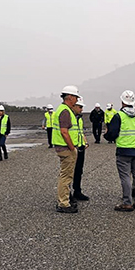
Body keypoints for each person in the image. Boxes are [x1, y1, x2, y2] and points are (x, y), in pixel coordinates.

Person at [105, 89, 135, 212]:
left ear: (122, 102)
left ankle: (127, 202)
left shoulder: (119, 116)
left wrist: (106, 136)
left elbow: (112, 134)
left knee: (125, 177)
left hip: (124, 151)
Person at [52, 85, 82, 214]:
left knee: (65, 175)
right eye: (75, 97)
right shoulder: (65, 111)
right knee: (66, 176)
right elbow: (64, 132)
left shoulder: (64, 109)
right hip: (65, 148)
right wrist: (72, 148)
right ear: (69, 97)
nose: (77, 100)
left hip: (63, 147)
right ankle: (63, 203)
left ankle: (64, 200)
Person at [71, 97, 90, 202]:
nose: (81, 109)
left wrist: (85, 142)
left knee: (79, 171)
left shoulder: (79, 118)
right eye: (80, 107)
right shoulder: (68, 117)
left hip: (80, 147)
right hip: (72, 148)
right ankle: (67, 194)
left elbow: (80, 132)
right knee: (69, 172)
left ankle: (77, 191)